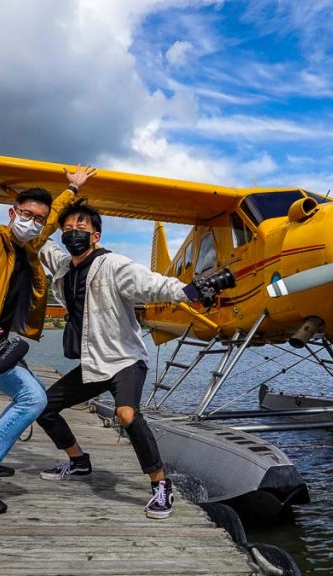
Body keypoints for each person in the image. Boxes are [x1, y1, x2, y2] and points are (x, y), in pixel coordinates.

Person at [35, 191, 231, 519]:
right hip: (94, 362)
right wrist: (46, 202)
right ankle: (79, 462)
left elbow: (148, 283)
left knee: (126, 414)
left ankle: (160, 485)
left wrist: (187, 291)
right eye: (66, 228)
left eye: (80, 226)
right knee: (42, 406)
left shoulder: (113, 264)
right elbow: (40, 241)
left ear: (95, 235)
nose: (72, 232)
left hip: (125, 359)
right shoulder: (64, 266)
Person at [0, 165, 96, 514]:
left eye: (37, 219)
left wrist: (71, 190)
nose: (33, 222)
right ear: (13, 214)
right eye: (26, 215)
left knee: (33, 397)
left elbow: (54, 218)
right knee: (32, 398)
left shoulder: (27, 245)